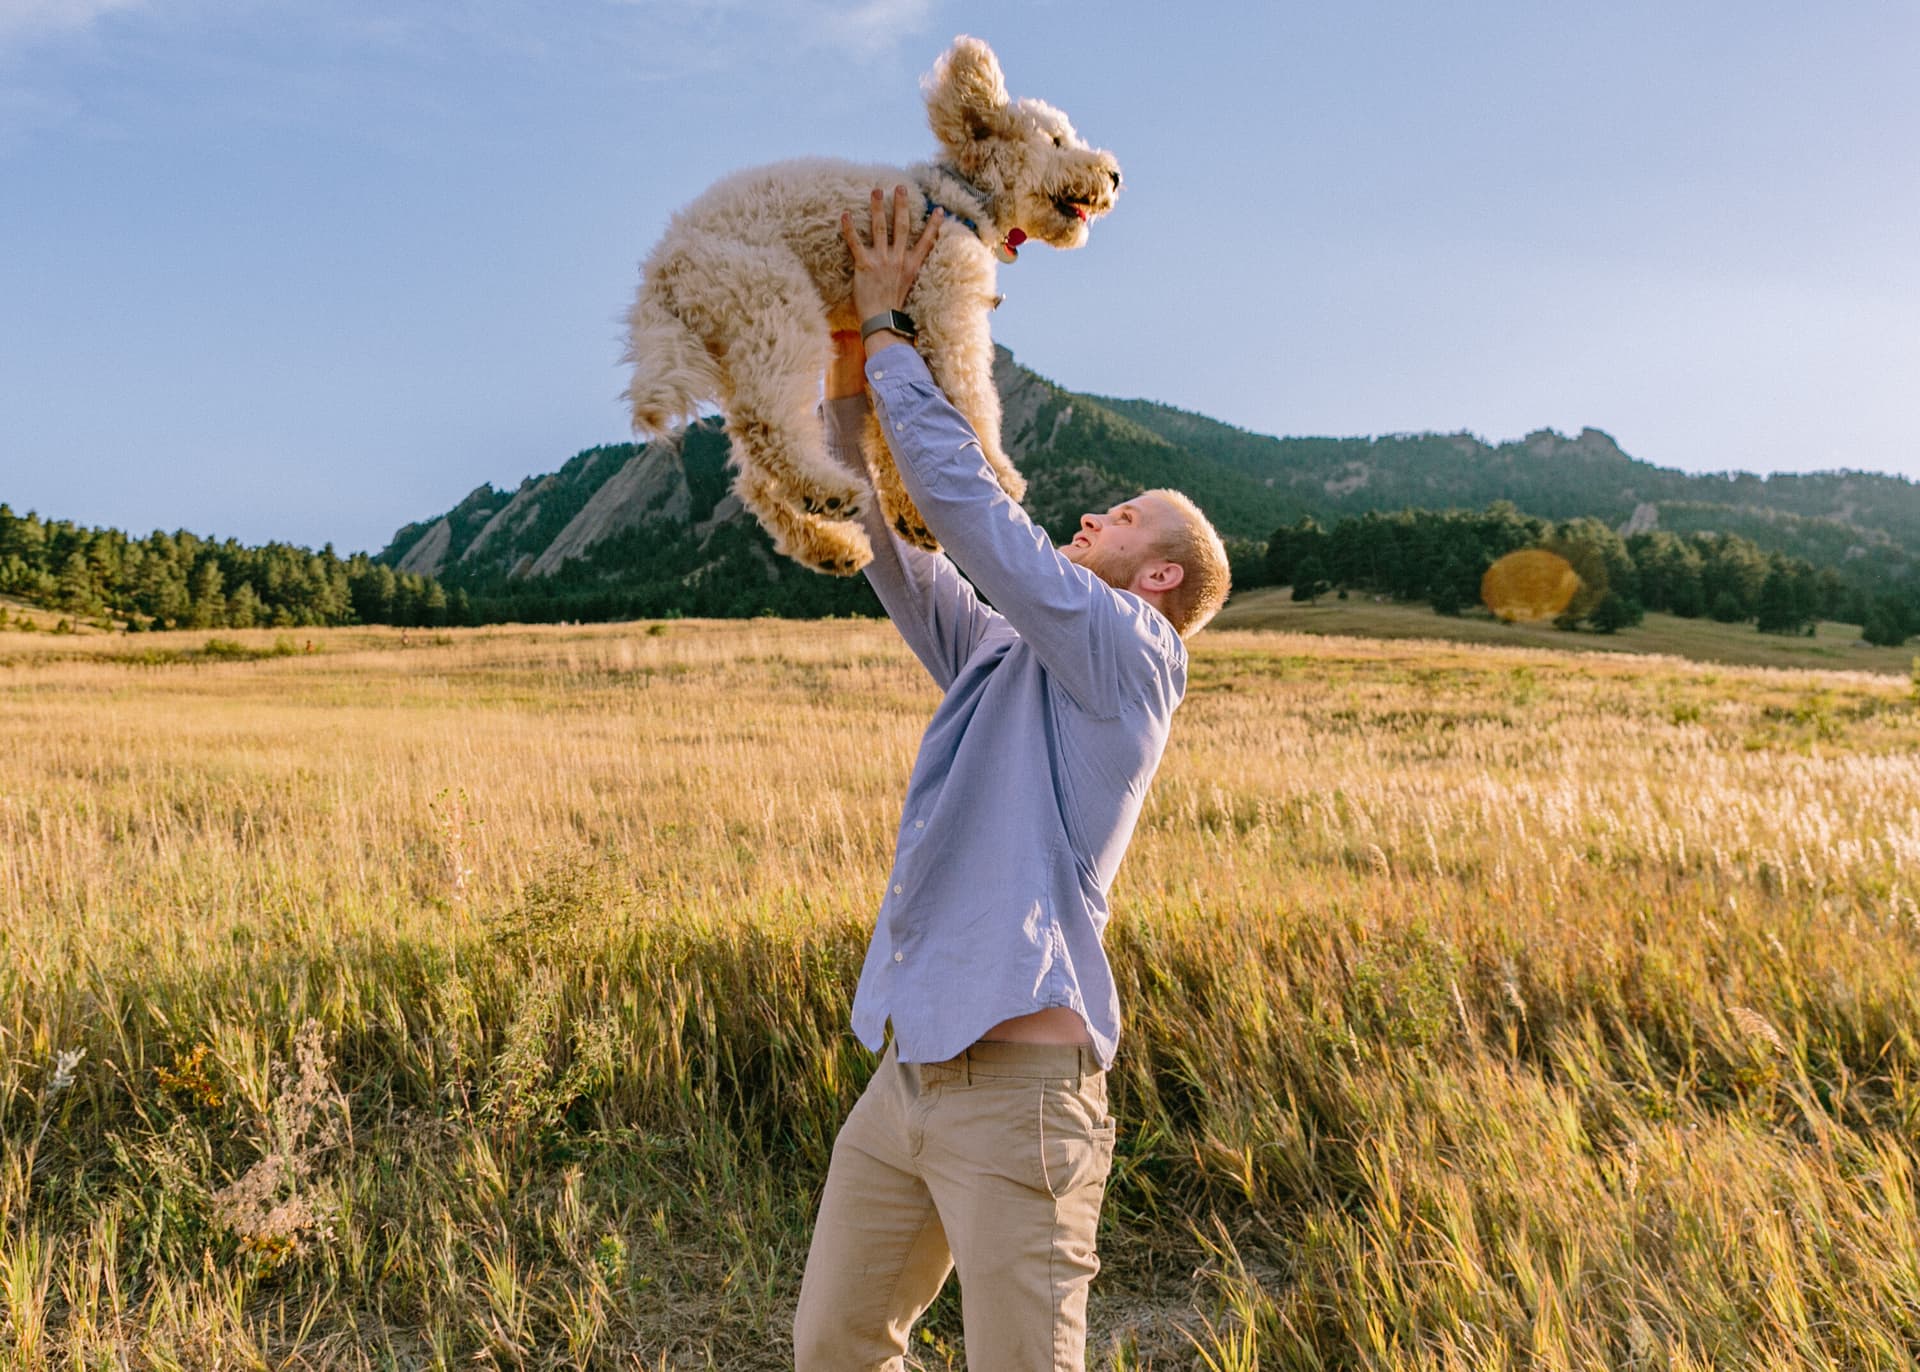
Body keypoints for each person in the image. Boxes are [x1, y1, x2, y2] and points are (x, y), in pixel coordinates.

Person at [792, 187, 1231, 1370]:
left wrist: (894, 330)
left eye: (1127, 516)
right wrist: (847, 356)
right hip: (910, 1078)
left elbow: (975, 519)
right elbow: (893, 542)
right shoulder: (1002, 650)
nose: (1098, 511)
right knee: (833, 1344)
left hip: (1023, 1097)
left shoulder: (1134, 657)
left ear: (1155, 582)